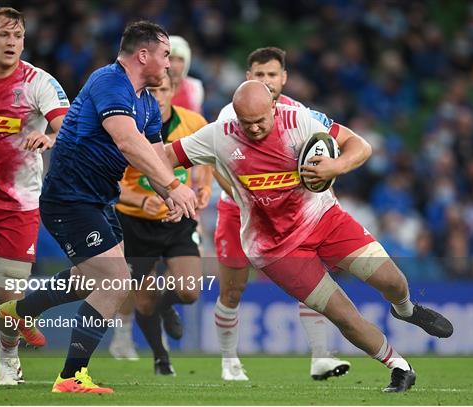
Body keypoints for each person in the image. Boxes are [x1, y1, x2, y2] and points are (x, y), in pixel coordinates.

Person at [164, 80, 454, 392]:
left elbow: (361, 145)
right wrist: (171, 189)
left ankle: (406, 309)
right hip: (275, 249)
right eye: (246, 123)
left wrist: (337, 166)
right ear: (236, 116)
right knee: (342, 314)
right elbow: (164, 157)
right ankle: (399, 367)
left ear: (274, 108)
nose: (255, 129)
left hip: (325, 221)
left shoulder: (299, 120)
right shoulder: (219, 135)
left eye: (261, 120)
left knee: (392, 280)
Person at [0, 20, 198, 394]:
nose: (169, 64)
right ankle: (71, 377)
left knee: (89, 280)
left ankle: (18, 312)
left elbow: (154, 158)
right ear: (143, 55)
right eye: (166, 55)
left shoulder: (147, 104)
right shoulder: (109, 81)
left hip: (99, 200)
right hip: (69, 198)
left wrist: (171, 195)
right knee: (116, 281)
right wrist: (172, 187)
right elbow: (126, 141)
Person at [213, 47, 349, 381]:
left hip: (286, 213)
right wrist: (247, 199)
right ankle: (229, 361)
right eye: (259, 75)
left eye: (272, 75)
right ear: (248, 78)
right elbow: (213, 165)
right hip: (238, 210)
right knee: (232, 290)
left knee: (311, 279)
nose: (266, 81)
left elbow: (318, 162)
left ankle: (320, 357)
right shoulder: (229, 116)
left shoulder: (299, 114)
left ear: (284, 78)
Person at [0, 7, 69, 385]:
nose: (12, 43)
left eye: (18, 36)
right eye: (4, 35)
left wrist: (50, 138)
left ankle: (9, 359)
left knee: (7, 293)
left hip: (16, 202)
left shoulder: (39, 82)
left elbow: (68, 129)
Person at [111, 71, 212, 375]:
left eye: (163, 90)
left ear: (174, 90)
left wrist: (204, 188)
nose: (157, 96)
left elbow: (205, 160)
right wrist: (142, 200)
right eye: (151, 91)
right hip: (135, 222)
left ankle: (167, 306)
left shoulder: (194, 123)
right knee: (143, 301)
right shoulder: (124, 127)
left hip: (178, 218)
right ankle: (161, 357)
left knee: (190, 291)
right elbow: (111, 184)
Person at [169, 35, 205, 113]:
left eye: (180, 60)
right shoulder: (150, 88)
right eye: (170, 58)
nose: (175, 66)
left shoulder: (195, 87)